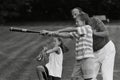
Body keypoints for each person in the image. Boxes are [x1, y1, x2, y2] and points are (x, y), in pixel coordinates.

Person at [56, 7, 116, 80]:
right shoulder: (79, 26)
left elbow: (106, 33)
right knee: (90, 77)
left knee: (107, 77)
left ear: (81, 13)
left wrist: (94, 33)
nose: (74, 17)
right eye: (73, 15)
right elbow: (69, 34)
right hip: (93, 53)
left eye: (75, 14)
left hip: (106, 50)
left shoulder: (94, 20)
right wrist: (54, 33)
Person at [41, 14, 96, 80]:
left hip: (87, 58)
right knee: (74, 78)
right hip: (79, 59)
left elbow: (71, 29)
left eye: (77, 21)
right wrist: (51, 33)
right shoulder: (79, 32)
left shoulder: (87, 28)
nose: (76, 23)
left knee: (88, 79)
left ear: (83, 21)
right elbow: (67, 35)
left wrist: (58, 31)